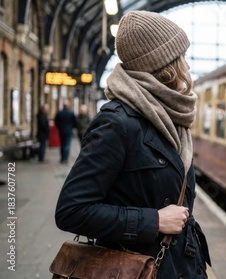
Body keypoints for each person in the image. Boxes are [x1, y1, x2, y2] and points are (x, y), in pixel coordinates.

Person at [54, 11, 211, 278]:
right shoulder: (117, 123)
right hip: (141, 269)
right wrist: (154, 221)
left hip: (180, 265)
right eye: (181, 56)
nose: (186, 66)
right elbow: (72, 211)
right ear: (164, 65)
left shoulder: (172, 118)